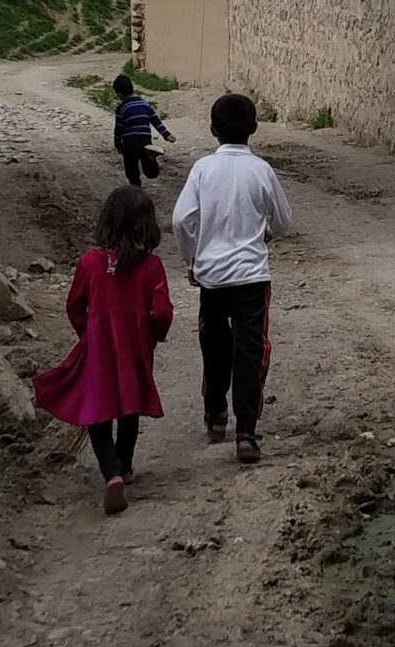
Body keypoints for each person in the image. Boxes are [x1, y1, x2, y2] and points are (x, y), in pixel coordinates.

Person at [32, 186, 175, 516]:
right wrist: (155, 334)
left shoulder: (90, 263)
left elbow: (74, 305)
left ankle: (111, 473)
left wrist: (88, 333)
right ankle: (123, 466)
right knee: (129, 406)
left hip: (98, 347)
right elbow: (162, 312)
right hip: (135, 348)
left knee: (97, 411)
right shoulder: (151, 267)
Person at [172, 92, 293, 465]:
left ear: (212, 130)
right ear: (254, 129)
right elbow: (284, 222)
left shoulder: (202, 170)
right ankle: (246, 432)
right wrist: (266, 233)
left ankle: (214, 414)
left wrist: (192, 258)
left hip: (211, 278)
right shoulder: (262, 170)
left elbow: (181, 220)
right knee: (249, 350)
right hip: (252, 278)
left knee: (214, 345)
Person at [112, 70, 173, 185]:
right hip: (145, 142)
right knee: (151, 172)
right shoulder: (145, 104)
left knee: (131, 169)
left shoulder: (121, 108)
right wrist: (166, 134)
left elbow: (118, 129)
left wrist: (117, 144)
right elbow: (156, 121)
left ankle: (136, 187)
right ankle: (151, 160)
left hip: (129, 144)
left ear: (119, 93)